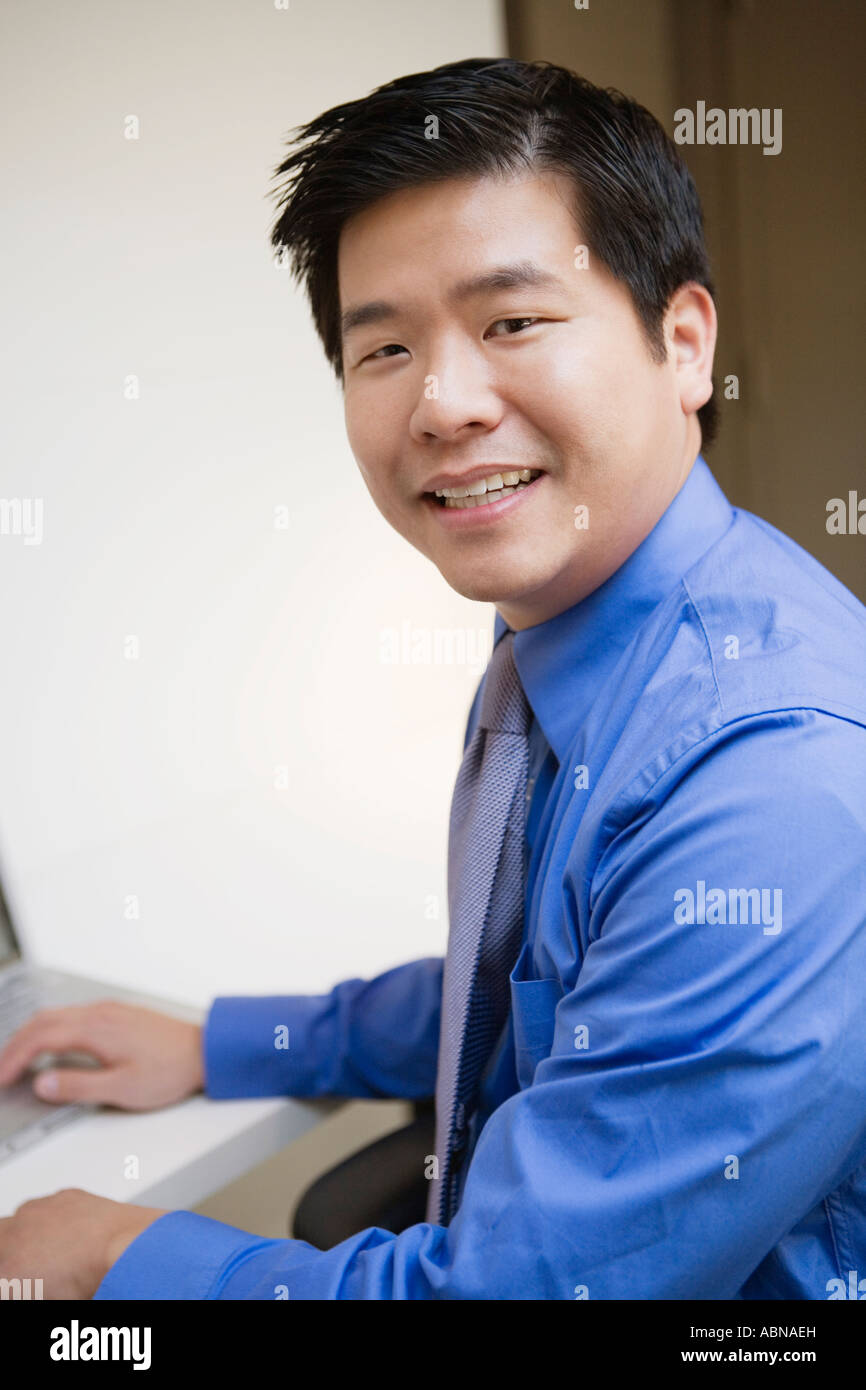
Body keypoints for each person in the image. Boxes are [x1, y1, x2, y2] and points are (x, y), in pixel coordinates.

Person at [1, 57, 864, 1300]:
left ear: (681, 343)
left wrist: (122, 1258)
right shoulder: (573, 631)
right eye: (385, 347)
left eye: (511, 321)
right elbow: (533, 992)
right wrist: (222, 1043)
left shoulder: (771, 777)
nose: (443, 402)